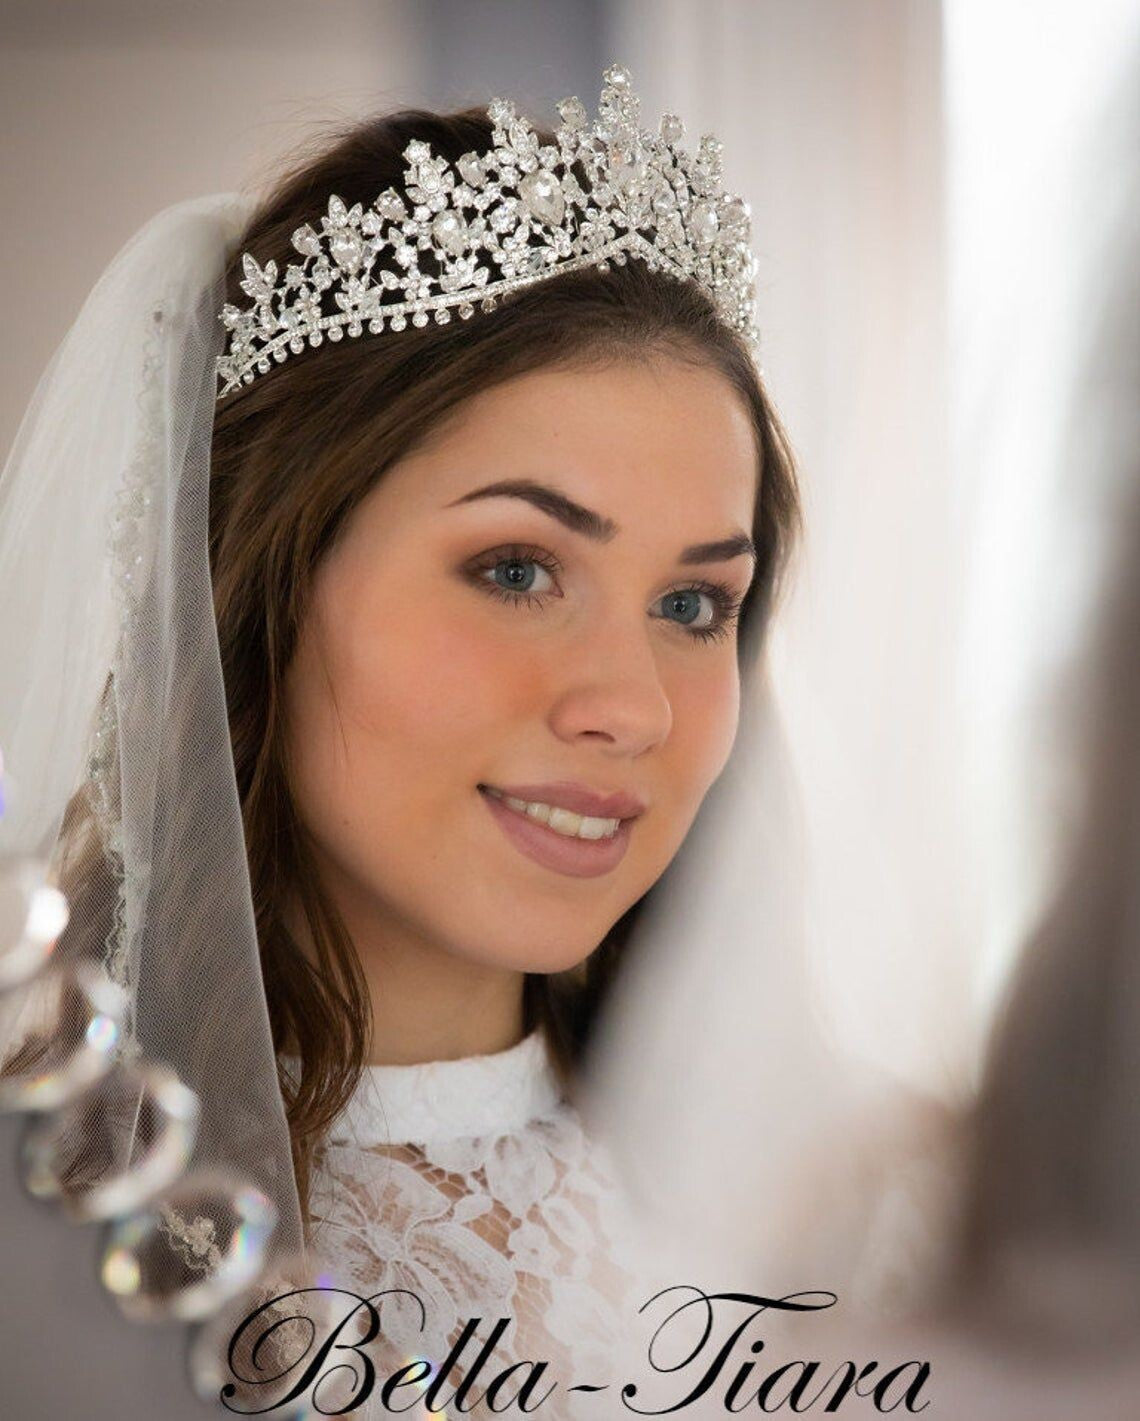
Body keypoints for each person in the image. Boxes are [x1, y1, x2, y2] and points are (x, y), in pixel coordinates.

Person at [0, 65, 800, 1415]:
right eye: (514, 568)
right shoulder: (50, 1258)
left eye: (691, 603)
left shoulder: (853, 1211)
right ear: (253, 582)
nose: (636, 706)